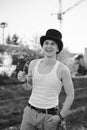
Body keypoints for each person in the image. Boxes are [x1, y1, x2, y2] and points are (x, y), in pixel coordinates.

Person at [18, 29, 74, 130]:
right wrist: (22, 81)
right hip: (29, 113)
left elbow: (70, 94)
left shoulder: (63, 70)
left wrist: (60, 116)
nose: (48, 46)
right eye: (46, 43)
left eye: (52, 44)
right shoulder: (33, 64)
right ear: (43, 46)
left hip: (49, 117)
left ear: (57, 49)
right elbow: (28, 87)